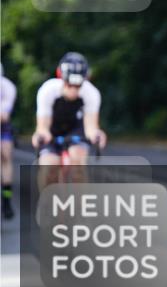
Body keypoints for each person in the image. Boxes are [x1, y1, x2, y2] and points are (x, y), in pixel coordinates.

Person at [31, 52, 106, 186]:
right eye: (69, 85)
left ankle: (81, 204)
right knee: (49, 165)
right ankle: (46, 202)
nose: (73, 90)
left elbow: (91, 126)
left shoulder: (91, 93)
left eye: (78, 86)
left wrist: (96, 135)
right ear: (61, 78)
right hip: (52, 128)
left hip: (76, 128)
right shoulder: (48, 90)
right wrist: (42, 134)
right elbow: (43, 125)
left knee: (78, 160)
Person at [1, 62, 16, 219]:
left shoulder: (8, 87)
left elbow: (4, 116)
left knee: (5, 155)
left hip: (2, 126)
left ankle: (6, 200)